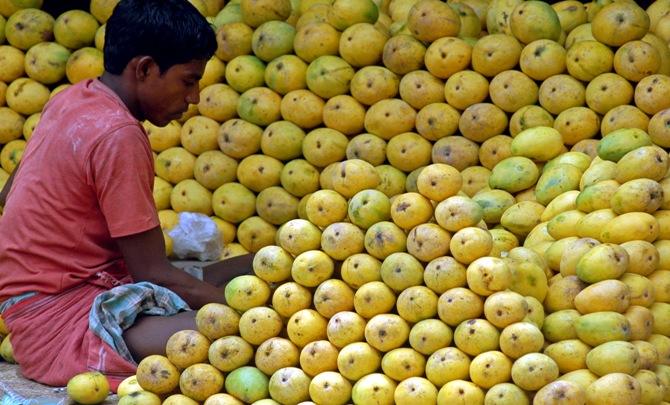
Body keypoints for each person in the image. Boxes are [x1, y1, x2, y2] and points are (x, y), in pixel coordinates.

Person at [0, 0, 252, 391]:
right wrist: (245, 308)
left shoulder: (75, 98)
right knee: (246, 336)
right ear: (146, 68)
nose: (195, 98)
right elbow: (151, 273)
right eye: (188, 80)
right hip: (62, 326)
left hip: (41, 302)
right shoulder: (118, 135)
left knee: (256, 265)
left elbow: (8, 192)